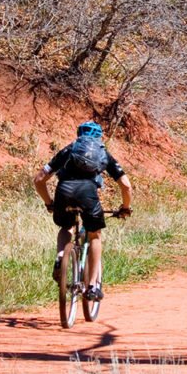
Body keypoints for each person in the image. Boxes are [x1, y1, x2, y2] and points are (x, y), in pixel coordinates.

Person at [33, 121, 132, 301]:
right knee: (94, 235)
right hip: (88, 194)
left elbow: (39, 179)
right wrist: (125, 208)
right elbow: (126, 185)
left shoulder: (68, 150)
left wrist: (49, 203)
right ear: (99, 137)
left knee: (66, 226)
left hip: (64, 191)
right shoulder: (103, 153)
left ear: (78, 135)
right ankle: (93, 286)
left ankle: (61, 255)